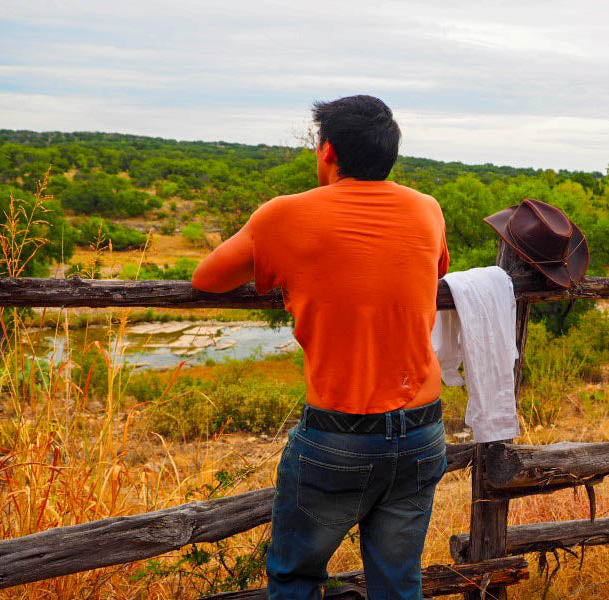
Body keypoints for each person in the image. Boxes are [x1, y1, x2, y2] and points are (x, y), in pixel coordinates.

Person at [191, 94, 450, 600]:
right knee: (399, 584)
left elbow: (207, 278)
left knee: (295, 578)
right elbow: (433, 271)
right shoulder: (427, 209)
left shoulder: (285, 216)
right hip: (422, 428)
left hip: (340, 435)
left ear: (327, 151)